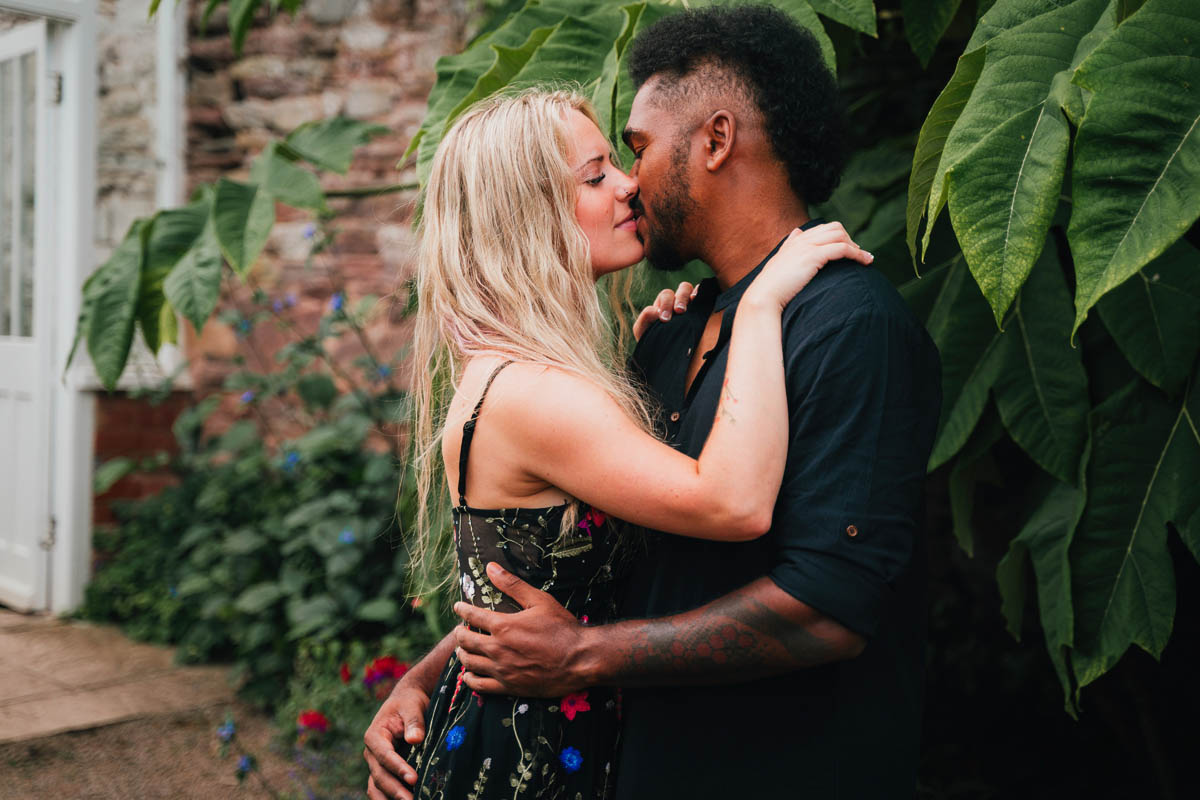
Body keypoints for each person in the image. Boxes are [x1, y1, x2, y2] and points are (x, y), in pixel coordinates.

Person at [369, 84, 872, 800]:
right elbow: (733, 504)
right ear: (530, 214)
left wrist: (673, 366)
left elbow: (533, 585)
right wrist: (758, 306)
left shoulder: (527, 377)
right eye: (596, 175)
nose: (630, 184)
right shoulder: (535, 395)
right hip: (529, 762)